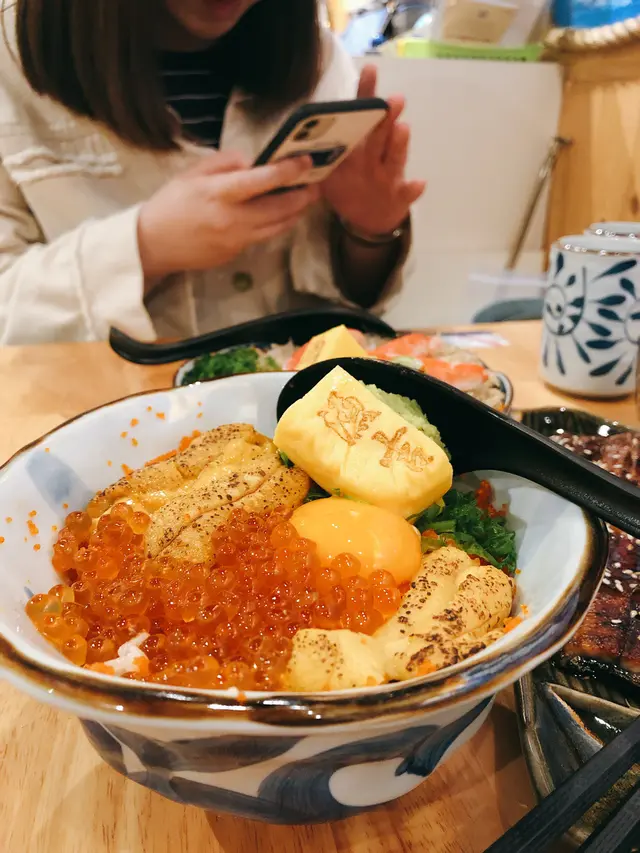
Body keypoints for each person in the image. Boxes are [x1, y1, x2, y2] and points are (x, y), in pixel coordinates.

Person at [0, 0, 425, 345]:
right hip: (94, 418)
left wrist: (369, 232)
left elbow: (357, 304)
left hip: (287, 403)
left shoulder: (320, 59)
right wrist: (144, 247)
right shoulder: (11, 62)